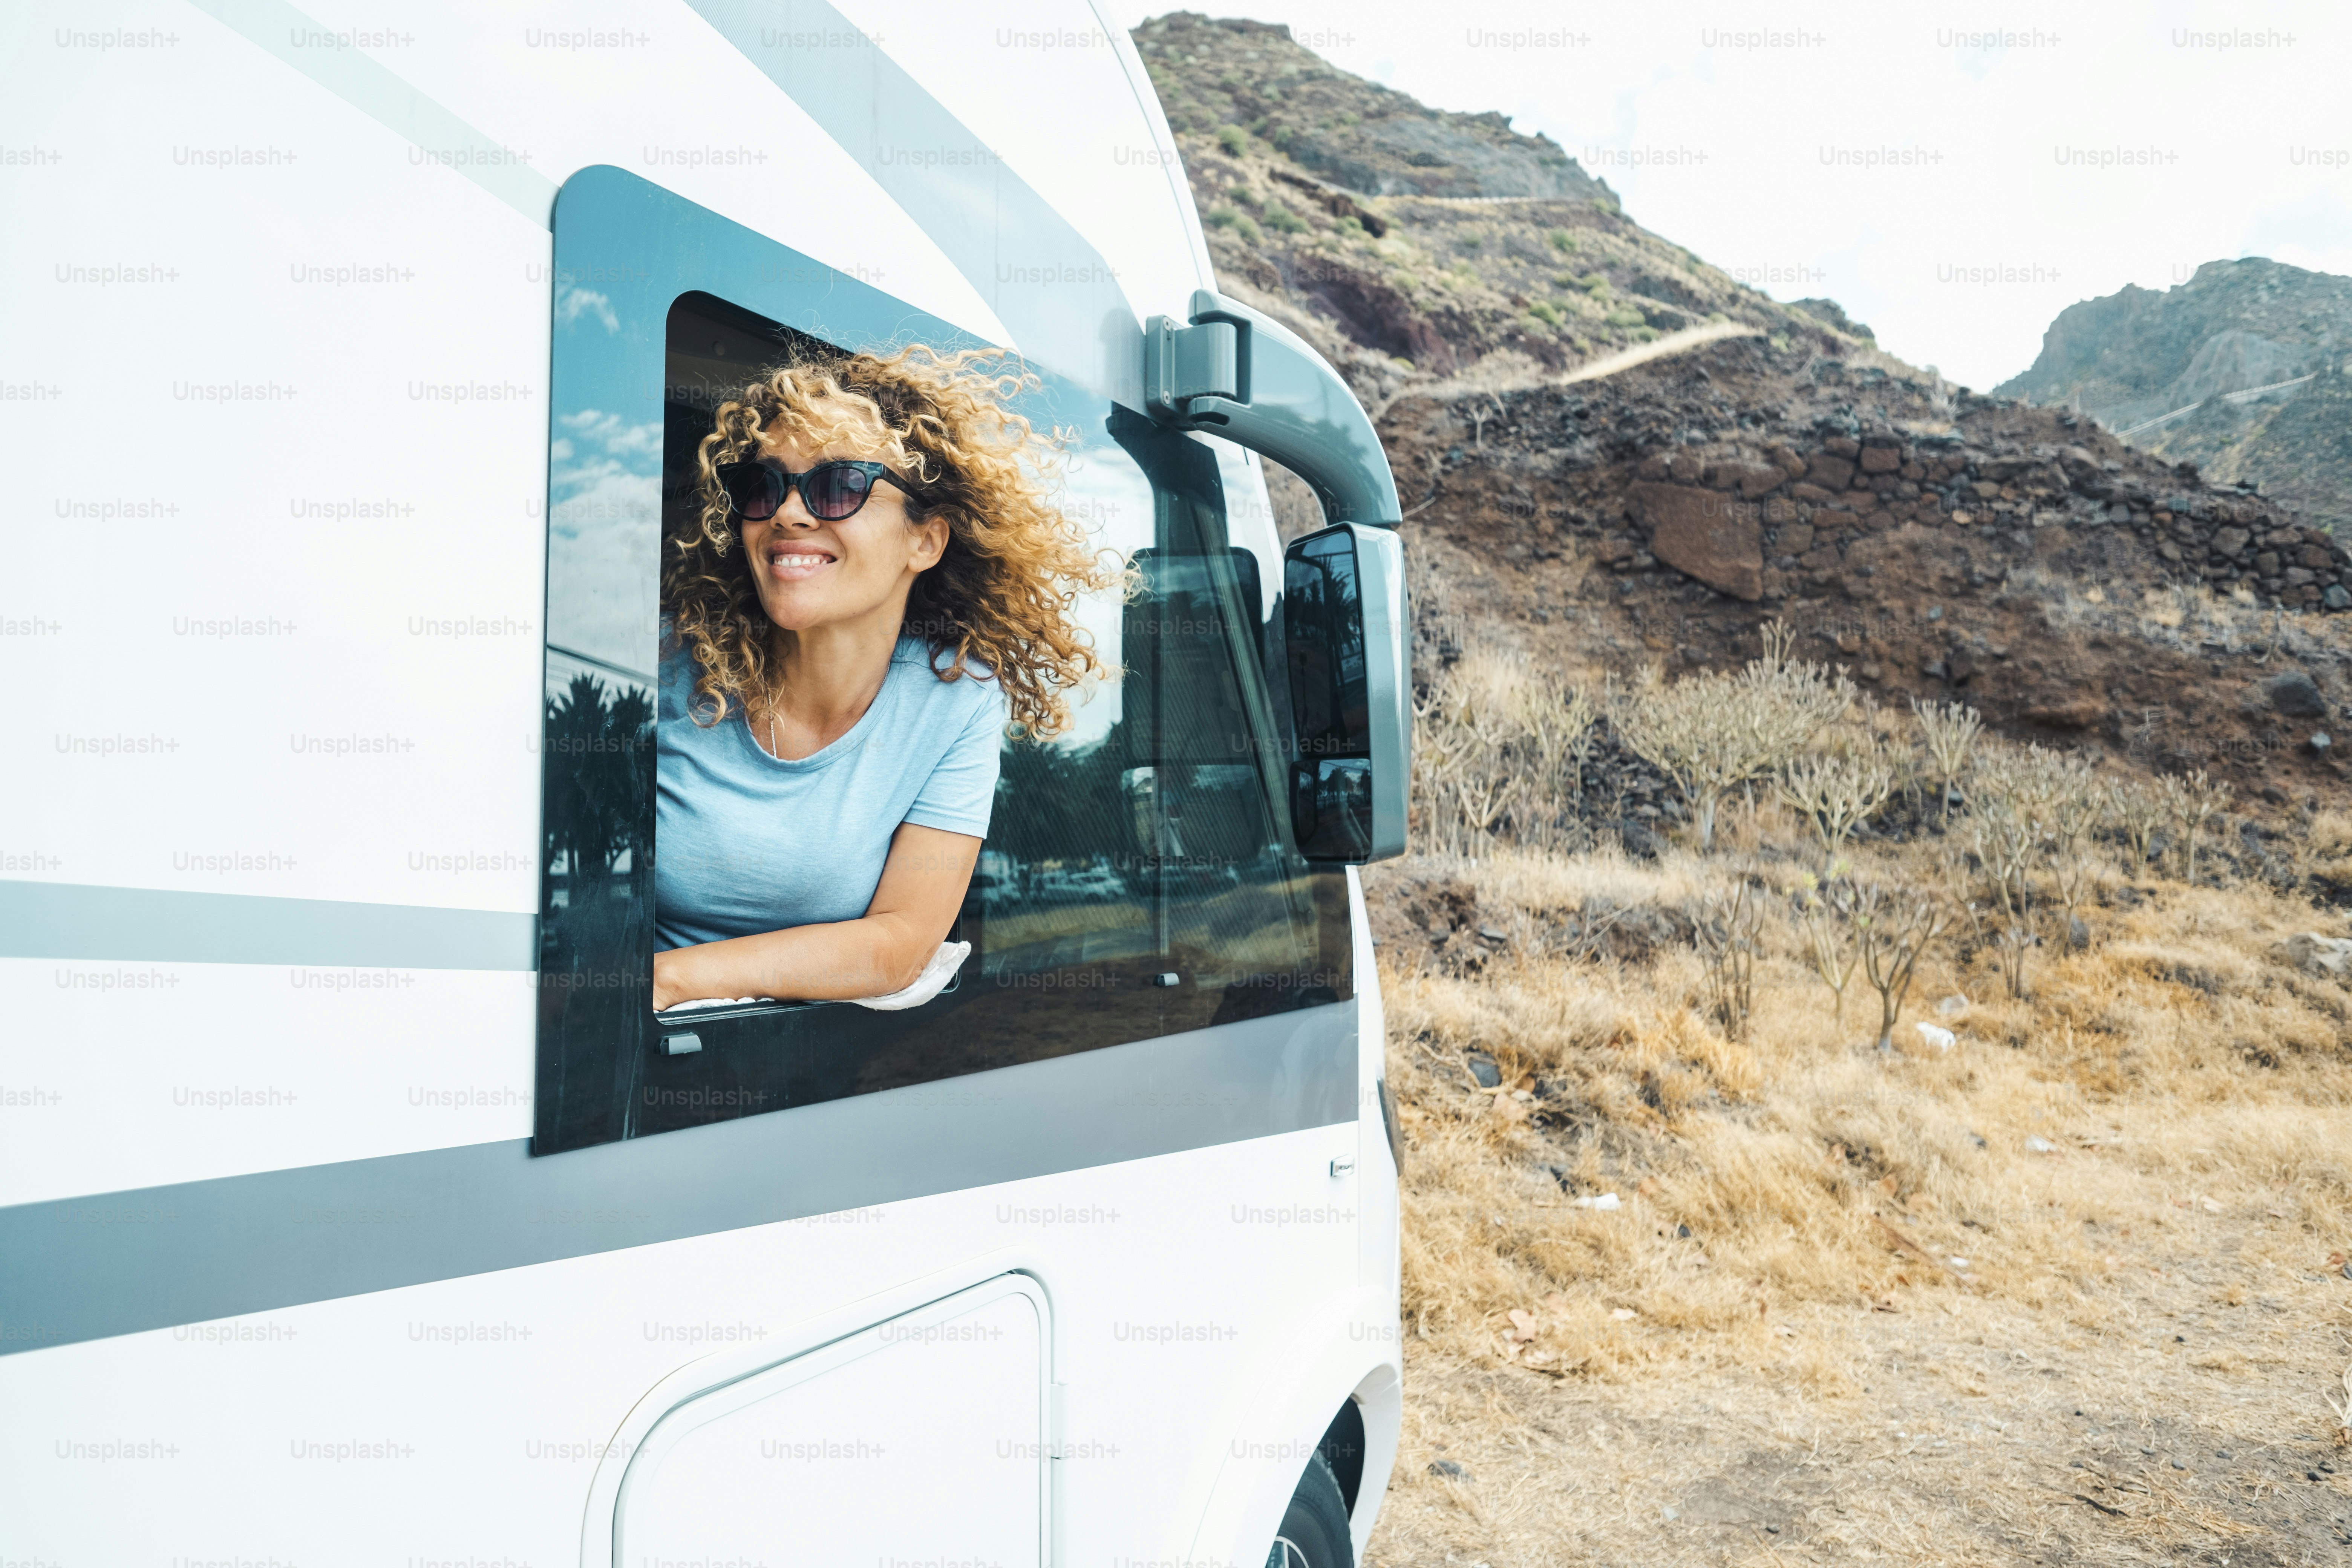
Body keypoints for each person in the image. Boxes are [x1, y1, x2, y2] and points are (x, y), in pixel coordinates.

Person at [651, 346, 1120, 1011]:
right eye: (764, 485)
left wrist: (668, 980)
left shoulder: (955, 700)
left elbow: (899, 943)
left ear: (925, 542)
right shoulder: (670, 664)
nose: (787, 512)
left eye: (839, 485)